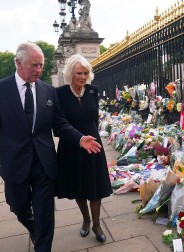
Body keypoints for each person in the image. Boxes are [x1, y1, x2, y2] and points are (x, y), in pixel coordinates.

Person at [0, 42, 102, 251]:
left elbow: (60, 123)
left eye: (41, 65)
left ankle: (43, 244)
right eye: (33, 65)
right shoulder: (2, 90)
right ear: (18, 63)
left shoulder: (48, 91)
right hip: (14, 163)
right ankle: (35, 228)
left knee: (45, 212)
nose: (39, 70)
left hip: (44, 163)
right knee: (18, 206)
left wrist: (80, 138)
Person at [56, 54, 112, 243]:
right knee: (79, 187)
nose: (82, 76)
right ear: (70, 73)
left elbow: (93, 118)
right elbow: (59, 123)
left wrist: (92, 136)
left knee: (95, 187)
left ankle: (96, 224)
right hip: (71, 147)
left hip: (93, 145)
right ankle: (86, 220)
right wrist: (78, 138)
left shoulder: (92, 91)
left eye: (85, 73)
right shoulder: (60, 94)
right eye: (79, 72)